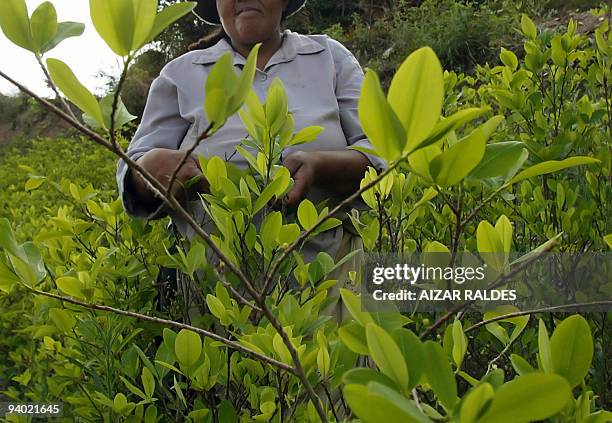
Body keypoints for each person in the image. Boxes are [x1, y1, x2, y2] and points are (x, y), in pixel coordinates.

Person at [116, 0, 385, 316]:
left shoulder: (329, 57)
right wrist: (146, 174)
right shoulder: (181, 74)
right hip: (217, 295)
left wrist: (320, 165)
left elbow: (378, 154)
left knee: (331, 365)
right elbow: (135, 168)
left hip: (329, 281)